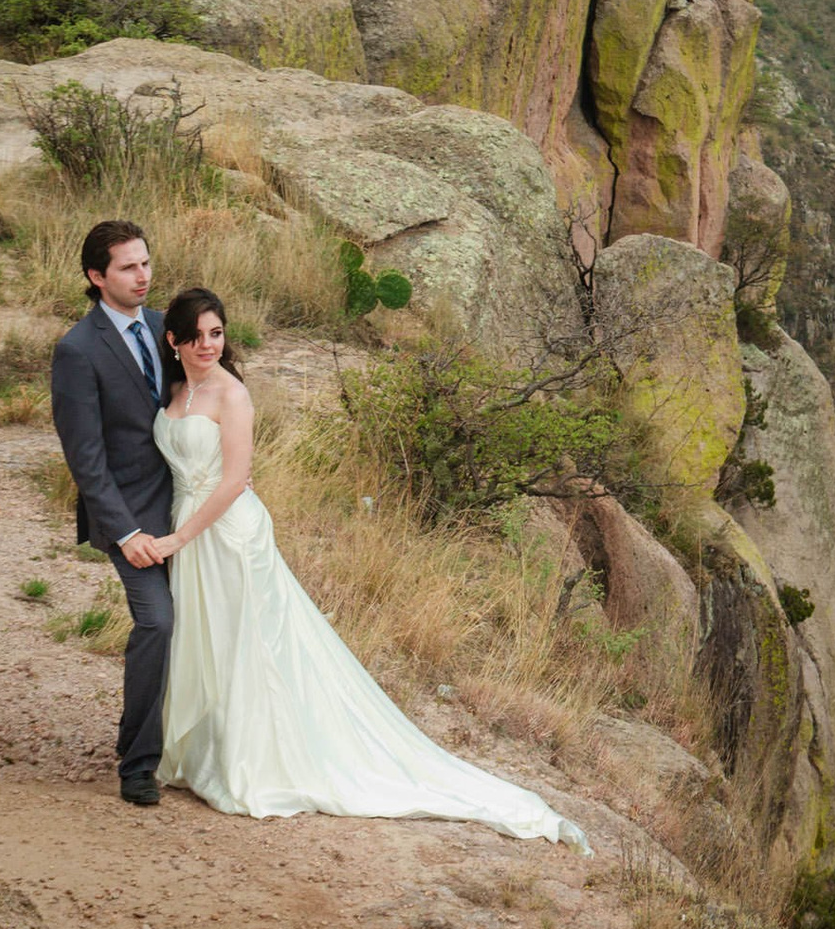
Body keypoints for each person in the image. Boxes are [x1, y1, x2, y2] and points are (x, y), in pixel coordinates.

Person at [146, 285, 588, 849]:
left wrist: (178, 537)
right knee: (204, 637)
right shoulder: (177, 390)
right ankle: (202, 748)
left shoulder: (232, 396)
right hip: (192, 526)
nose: (209, 344)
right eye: (198, 335)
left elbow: (234, 481)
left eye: (218, 333)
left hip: (228, 532)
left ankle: (247, 761)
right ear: (174, 339)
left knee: (245, 642)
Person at [48, 220, 176, 808]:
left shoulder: (163, 327)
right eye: (128, 267)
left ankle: (187, 743)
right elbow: (86, 458)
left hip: (189, 508)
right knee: (157, 622)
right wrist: (125, 533)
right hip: (129, 517)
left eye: (145, 262)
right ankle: (138, 764)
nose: (143, 275)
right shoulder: (77, 350)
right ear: (97, 277)